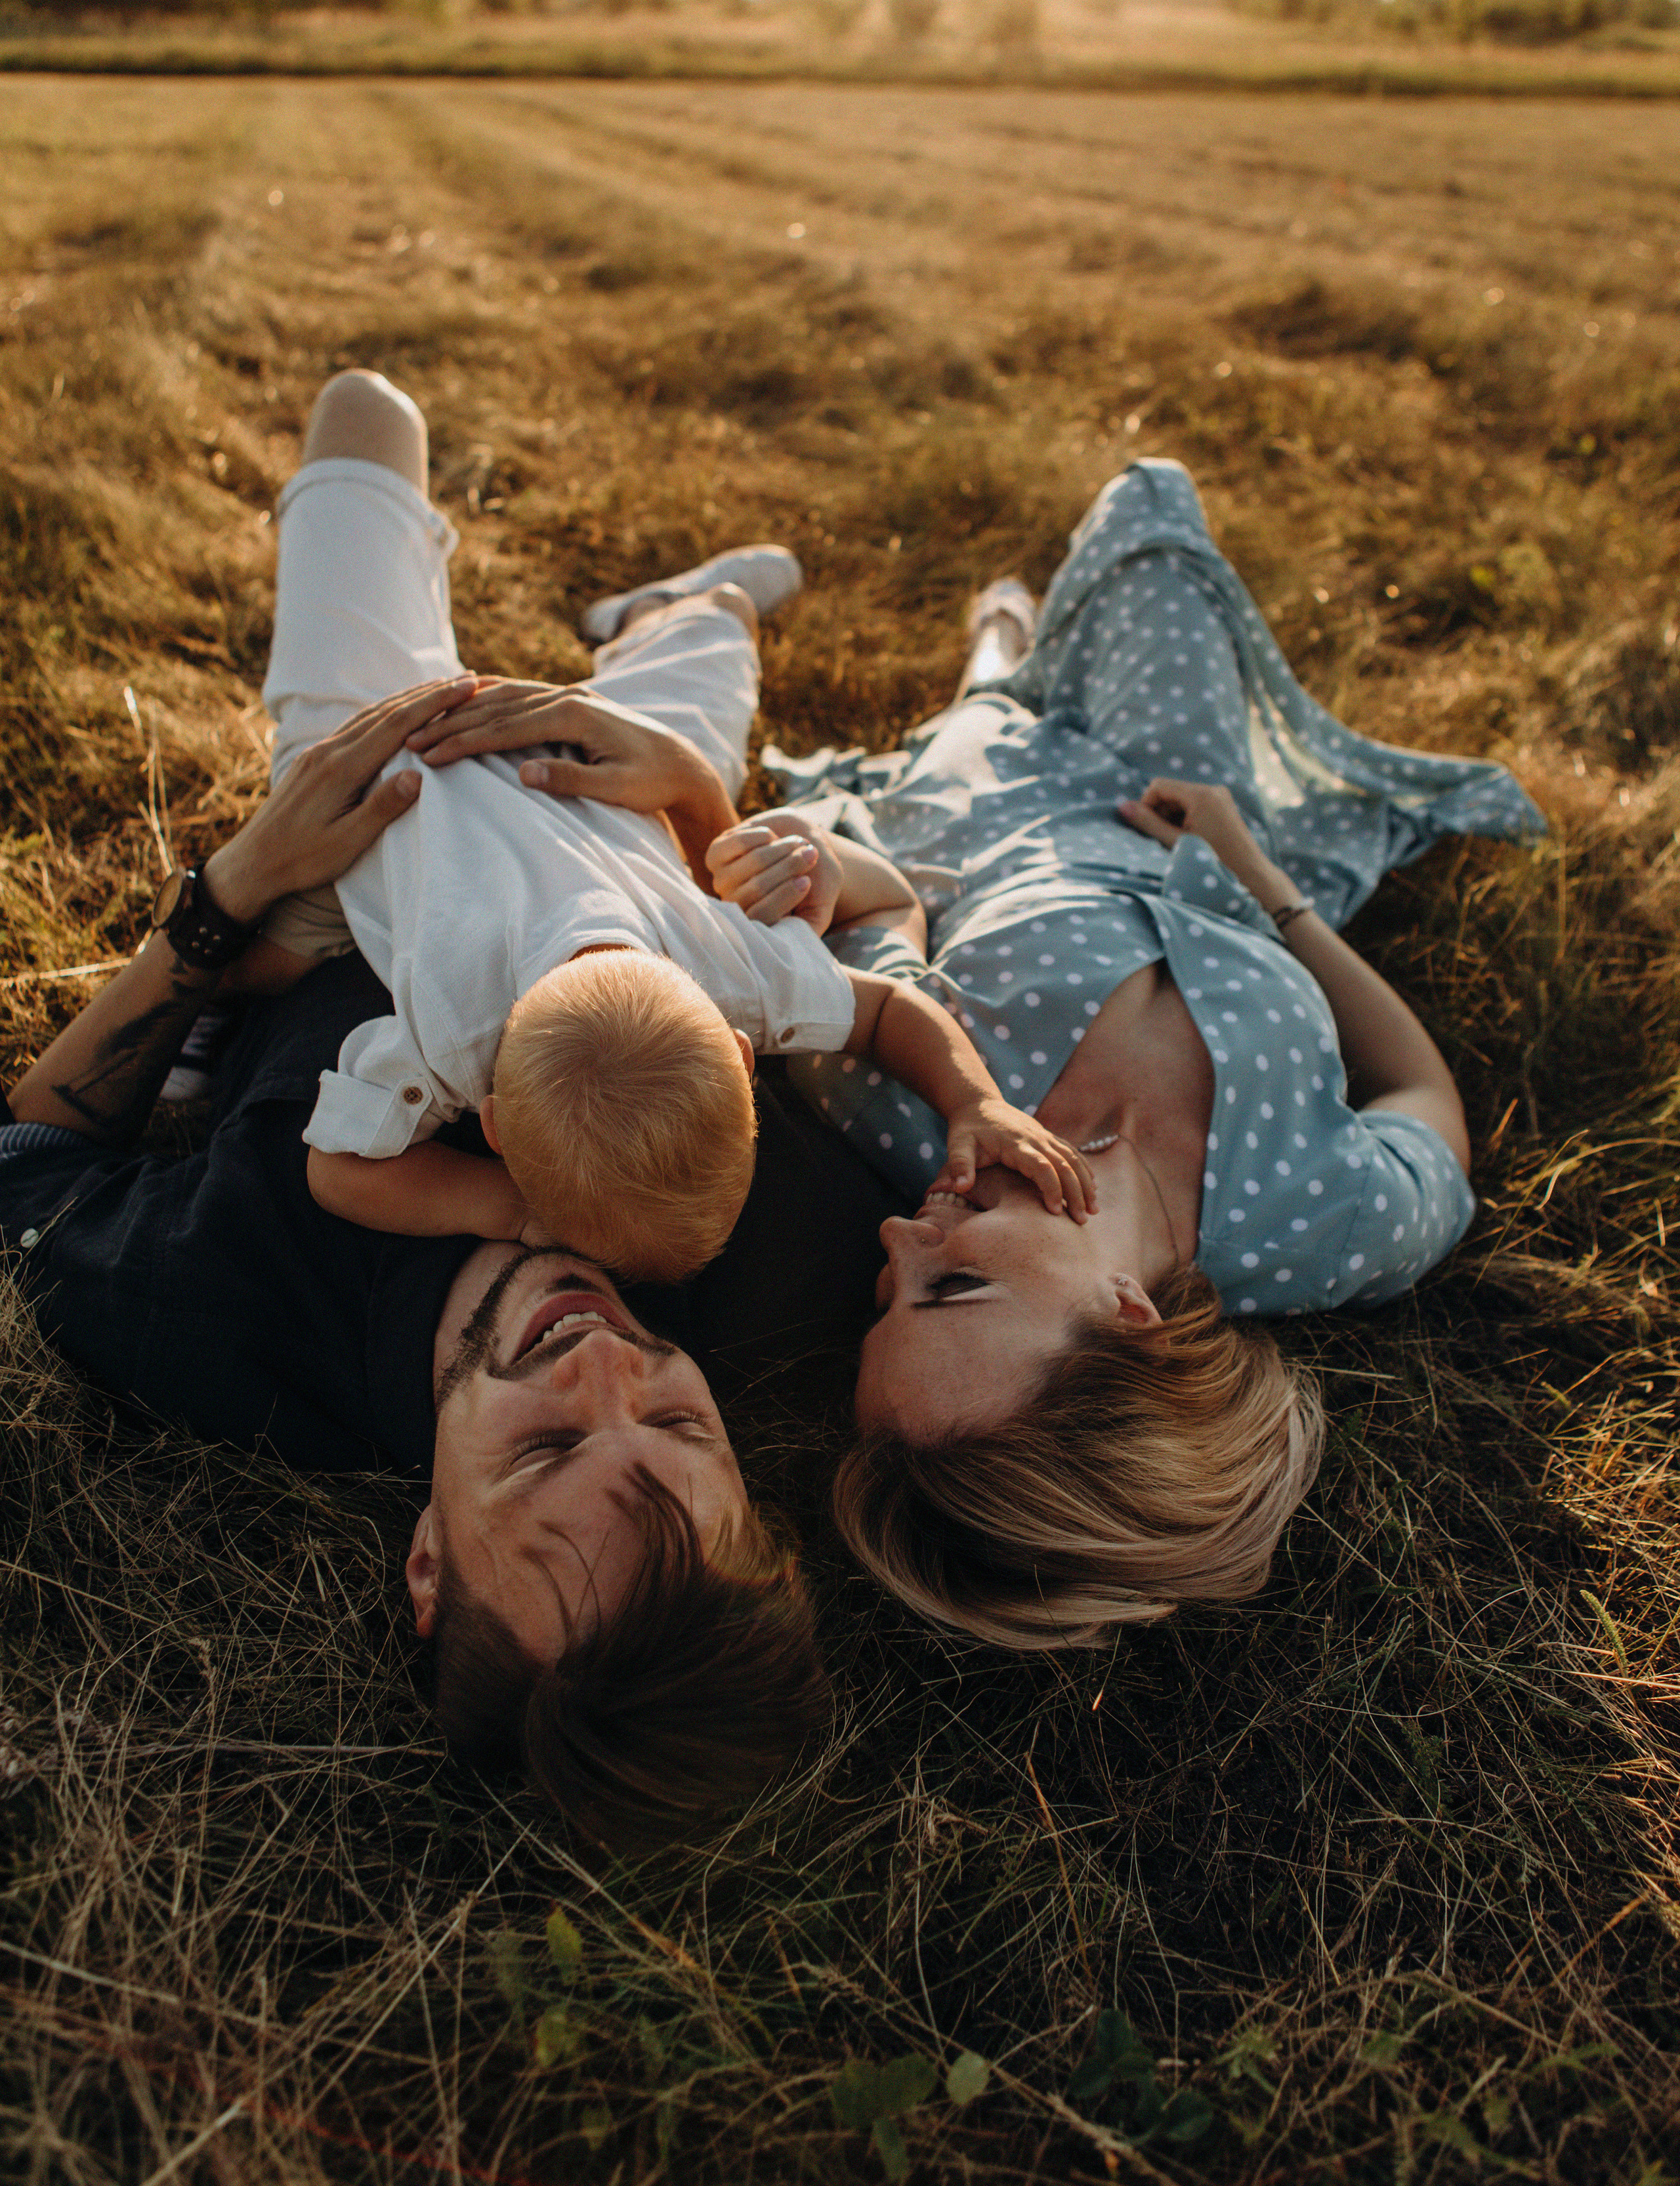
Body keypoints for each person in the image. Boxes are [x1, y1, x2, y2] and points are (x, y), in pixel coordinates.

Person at [0, 385, 897, 1845]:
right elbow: (880, 930)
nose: (603, 1361)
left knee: (365, 413)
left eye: (545, 1453)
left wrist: (224, 900)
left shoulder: (223, 1313)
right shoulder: (791, 1235)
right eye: (678, 1418)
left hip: (380, 790)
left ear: (429, 1564)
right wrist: (692, 796)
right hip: (614, 820)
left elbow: (29, 1156)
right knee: (706, 672)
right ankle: (689, 608)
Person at [753, 457, 1545, 1649]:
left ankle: (997, 652)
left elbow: (890, 908)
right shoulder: (1328, 1224)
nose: (898, 1236)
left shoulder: (911, 1108)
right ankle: (1002, 649)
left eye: (883, 1293)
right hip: (1187, 813)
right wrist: (1262, 878)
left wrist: (821, 874)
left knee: (978, 723)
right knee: (1153, 503)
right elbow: (1421, 1092)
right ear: (1128, 1316)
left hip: (975, 806)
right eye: (951, 1282)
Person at [273, 378, 1092, 1276]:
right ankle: (682, 612)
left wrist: (979, 1103)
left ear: (743, 1060)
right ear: (745, 1056)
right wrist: (500, 1206)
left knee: (368, 410)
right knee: (714, 640)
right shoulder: (456, 1038)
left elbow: (891, 1013)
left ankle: (668, 616)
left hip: (380, 747)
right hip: (510, 768)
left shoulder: (722, 975)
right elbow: (337, 1167)